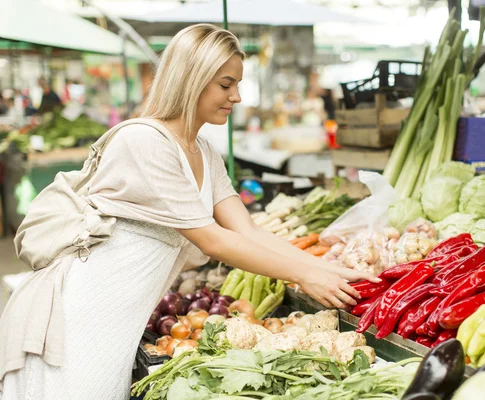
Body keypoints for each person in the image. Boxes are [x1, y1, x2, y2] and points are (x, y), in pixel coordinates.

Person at [0, 24, 377, 400]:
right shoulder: (144, 141)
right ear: (191, 79)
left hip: (122, 321)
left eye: (237, 85)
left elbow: (248, 231)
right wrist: (305, 275)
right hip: (84, 314)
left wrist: (328, 270)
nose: (238, 97)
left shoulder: (205, 153)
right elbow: (213, 240)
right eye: (226, 85)